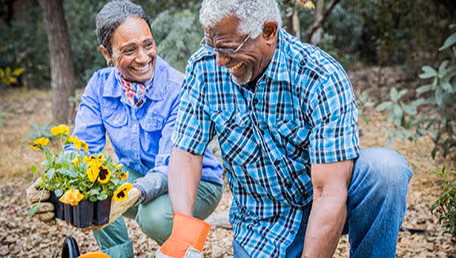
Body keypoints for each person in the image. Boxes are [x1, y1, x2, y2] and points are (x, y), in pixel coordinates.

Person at [160, 0, 413, 257]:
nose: (220, 61)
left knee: (386, 171)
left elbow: (328, 191)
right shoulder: (204, 68)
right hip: (259, 224)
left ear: (269, 31)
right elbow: (186, 153)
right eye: (213, 46)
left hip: (324, 202)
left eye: (228, 48)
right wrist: (184, 231)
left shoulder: (319, 76)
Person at [25, 1, 224, 258]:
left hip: (196, 183)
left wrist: (138, 190)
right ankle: (117, 254)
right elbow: (80, 148)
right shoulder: (100, 86)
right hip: (141, 174)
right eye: (129, 50)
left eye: (148, 45)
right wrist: (55, 182)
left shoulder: (178, 88)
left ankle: (184, 249)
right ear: (106, 53)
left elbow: (172, 164)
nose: (143, 57)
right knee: (91, 184)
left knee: (152, 216)